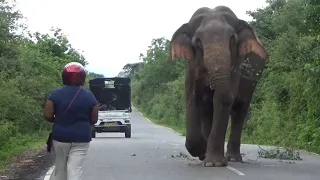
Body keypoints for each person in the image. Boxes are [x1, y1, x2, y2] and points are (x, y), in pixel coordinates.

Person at [43, 62, 99, 180]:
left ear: (64, 77)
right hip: (82, 138)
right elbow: (94, 120)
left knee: (60, 168)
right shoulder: (89, 96)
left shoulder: (55, 94)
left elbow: (48, 115)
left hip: (60, 137)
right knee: (75, 169)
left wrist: (57, 120)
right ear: (82, 78)